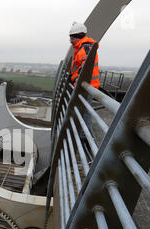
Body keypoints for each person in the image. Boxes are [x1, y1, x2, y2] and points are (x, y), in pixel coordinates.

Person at [69, 22, 100, 154]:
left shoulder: (85, 48)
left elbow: (85, 67)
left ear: (77, 37)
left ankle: (84, 138)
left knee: (85, 111)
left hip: (87, 86)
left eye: (71, 37)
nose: (70, 40)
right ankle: (82, 135)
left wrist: (75, 77)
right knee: (83, 110)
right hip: (85, 85)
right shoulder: (82, 47)